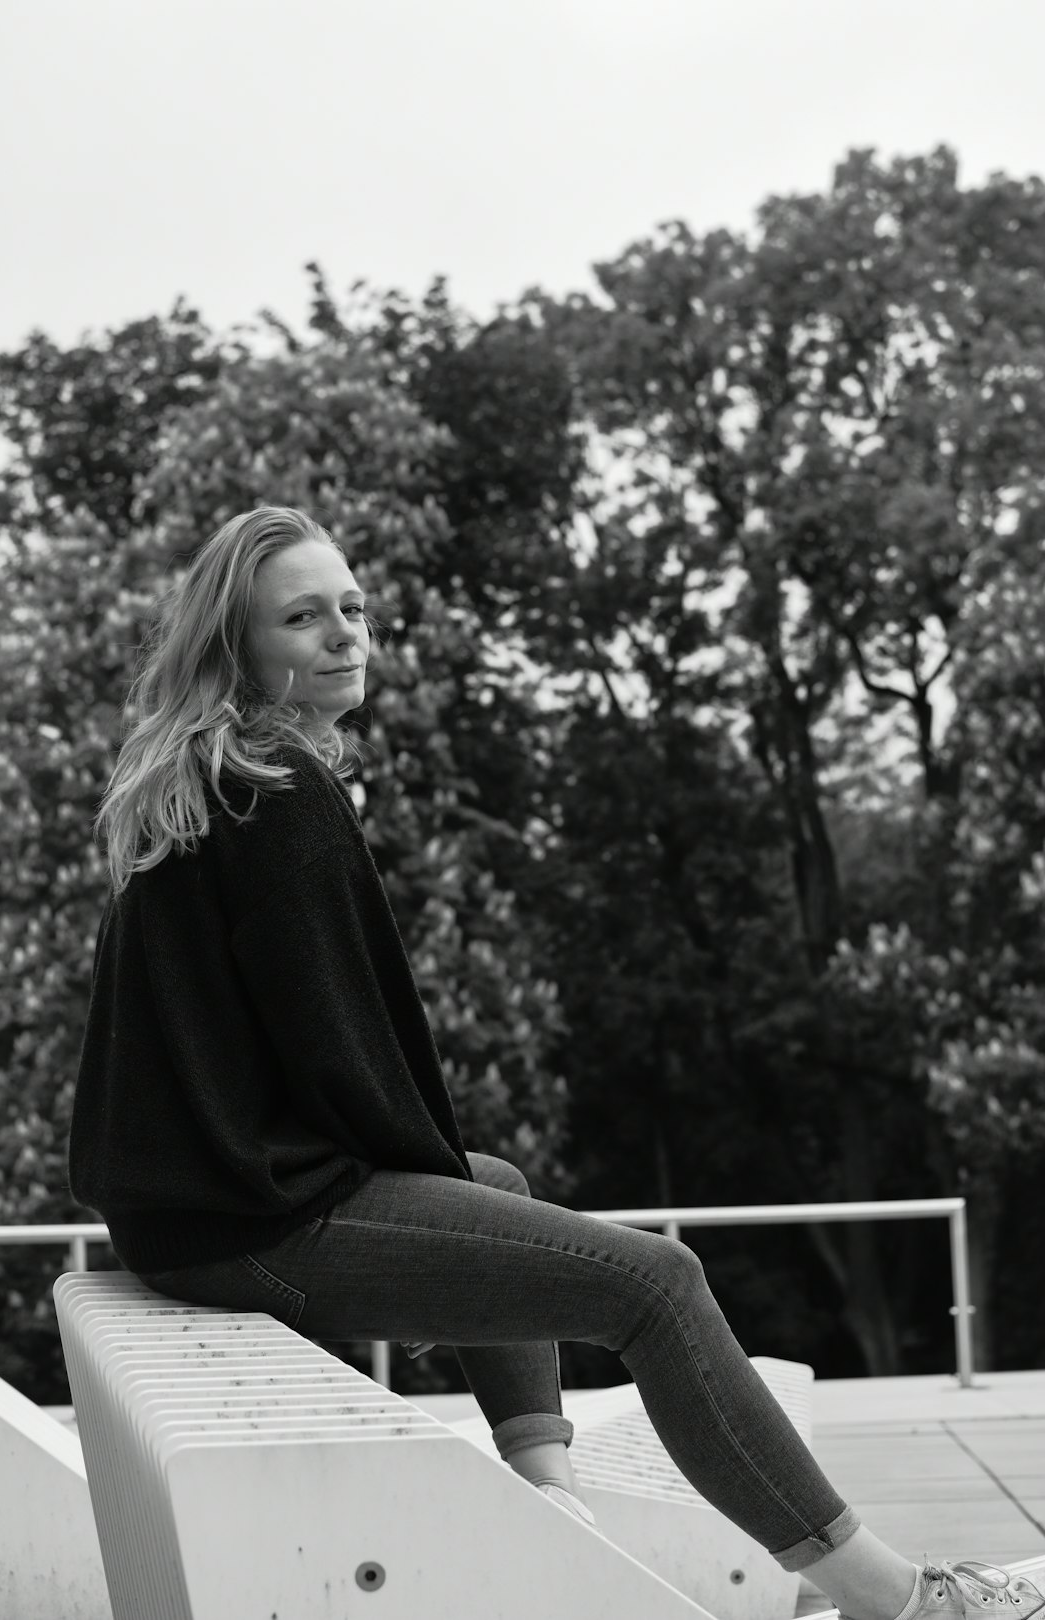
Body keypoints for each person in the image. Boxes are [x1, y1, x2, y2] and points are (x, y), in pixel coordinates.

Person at [67, 505, 1043, 1620]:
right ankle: (903, 1600)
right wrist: (419, 1203)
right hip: (251, 1228)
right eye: (304, 617)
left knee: (499, 1189)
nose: (346, 635)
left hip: (187, 1220)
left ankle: (553, 1508)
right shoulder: (280, 791)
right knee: (654, 1284)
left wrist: (449, 1206)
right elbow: (346, 1054)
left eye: (354, 608)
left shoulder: (199, 779)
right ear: (240, 652)